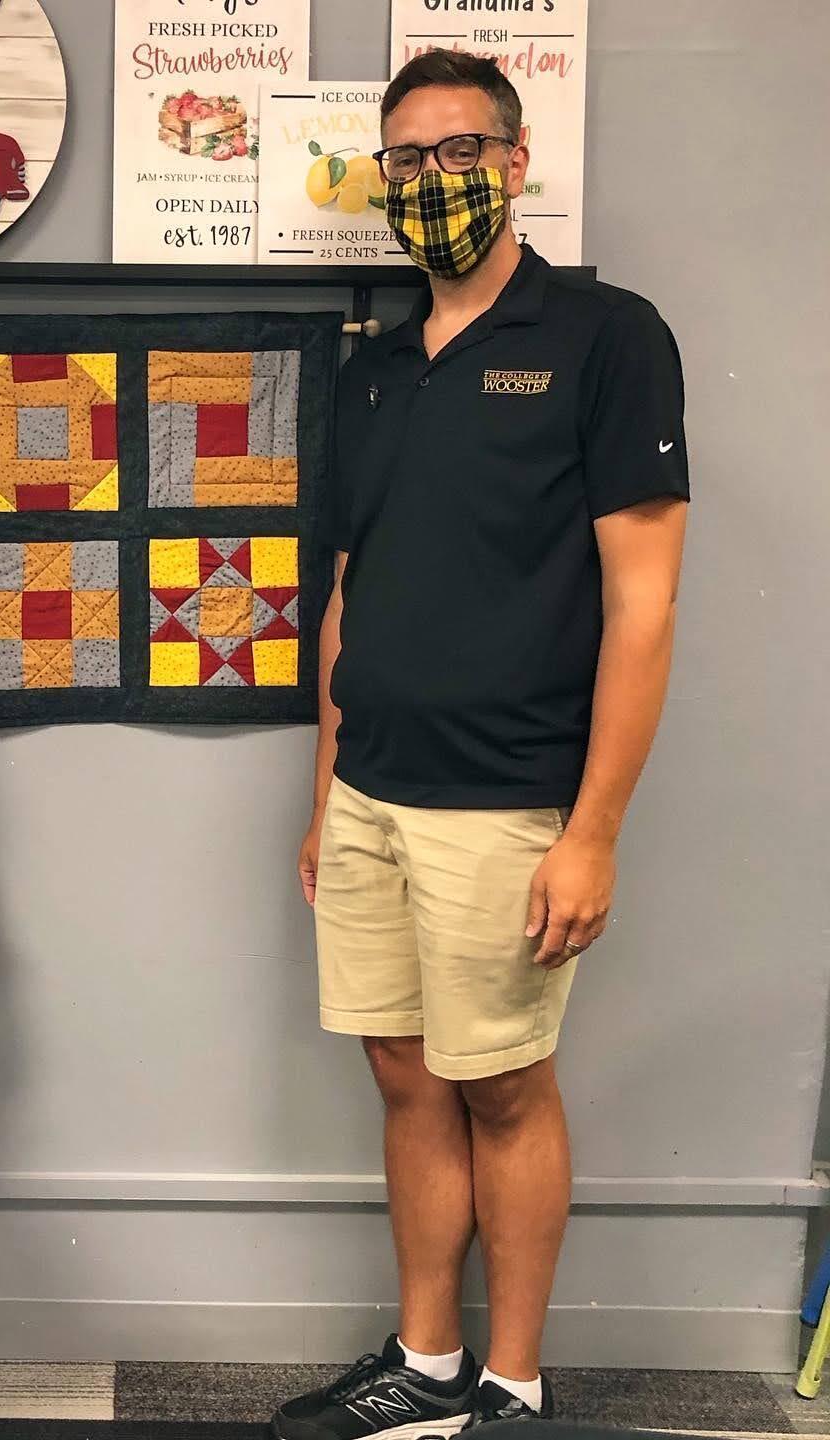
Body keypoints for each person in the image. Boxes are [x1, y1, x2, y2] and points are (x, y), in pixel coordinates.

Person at [277, 50, 690, 1434]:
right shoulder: (373, 370)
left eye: (462, 151)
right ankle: (428, 1361)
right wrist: (328, 790)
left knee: (503, 1085)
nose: (435, 179)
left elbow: (643, 605)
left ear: (517, 164)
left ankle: (511, 1386)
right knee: (401, 1072)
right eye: (408, 159)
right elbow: (345, 592)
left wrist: (593, 833)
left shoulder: (607, 336)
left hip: (512, 798)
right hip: (374, 794)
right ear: (383, 183)